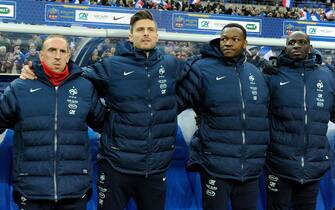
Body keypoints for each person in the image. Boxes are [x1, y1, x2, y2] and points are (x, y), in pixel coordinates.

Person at [21, 10, 189, 210]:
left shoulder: (171, 65)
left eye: (150, 29)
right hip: (116, 166)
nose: (145, 33)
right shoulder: (112, 66)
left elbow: (197, 84)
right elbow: (74, 75)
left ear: (157, 35)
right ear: (130, 36)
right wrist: (36, 71)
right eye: (140, 29)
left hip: (155, 168)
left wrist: (171, 110)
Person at [0, 34, 105, 210]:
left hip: (74, 189)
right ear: (41, 55)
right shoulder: (20, 87)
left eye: (62, 51)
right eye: (52, 50)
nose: (57, 55)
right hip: (31, 189)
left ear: (68, 55)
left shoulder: (84, 88)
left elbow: (105, 125)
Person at [177, 23, 270, 210]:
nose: (228, 43)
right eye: (224, 39)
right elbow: (175, 104)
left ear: (245, 43)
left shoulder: (255, 73)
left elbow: (262, 114)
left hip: (249, 167)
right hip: (215, 165)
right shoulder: (201, 69)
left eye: (234, 39)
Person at [265, 31, 335, 210]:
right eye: (291, 42)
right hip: (279, 163)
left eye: (302, 42)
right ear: (285, 47)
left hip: (314, 163)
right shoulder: (272, 74)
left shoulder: (327, 76)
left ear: (310, 47)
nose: (296, 46)